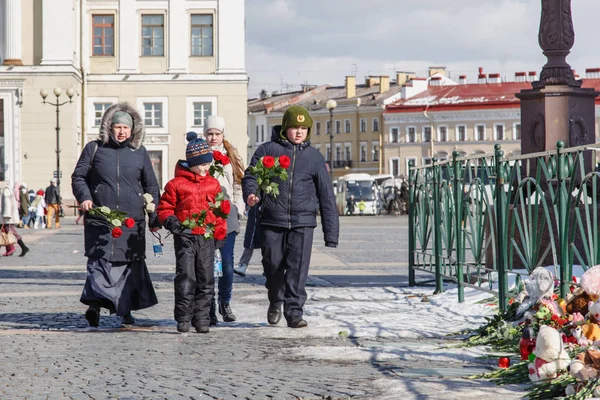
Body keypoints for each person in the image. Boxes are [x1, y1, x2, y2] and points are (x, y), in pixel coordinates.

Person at [242, 105, 339, 329]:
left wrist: (331, 233)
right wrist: (252, 194)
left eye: (303, 128)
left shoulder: (314, 157)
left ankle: (294, 312)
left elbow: (326, 194)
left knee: (298, 268)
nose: (299, 132)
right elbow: (251, 177)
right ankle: (276, 300)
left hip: (303, 222)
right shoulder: (267, 150)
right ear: (285, 128)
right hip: (272, 219)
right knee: (272, 264)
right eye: (295, 127)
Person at [71, 103, 160, 327]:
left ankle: (126, 311)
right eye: (117, 127)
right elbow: (78, 177)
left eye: (125, 128)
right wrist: (85, 197)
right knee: (100, 261)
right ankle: (95, 305)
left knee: (129, 266)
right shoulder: (94, 149)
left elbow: (151, 185)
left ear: (133, 130)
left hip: (132, 219)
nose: (121, 131)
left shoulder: (139, 152)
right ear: (109, 128)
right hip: (101, 216)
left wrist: (154, 216)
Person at [156, 133, 227, 334]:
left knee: (206, 279)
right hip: (185, 236)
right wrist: (171, 220)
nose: (206, 168)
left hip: (206, 237)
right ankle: (184, 317)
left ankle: (202, 318)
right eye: (203, 164)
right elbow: (164, 208)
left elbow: (220, 212)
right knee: (186, 276)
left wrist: (219, 234)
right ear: (193, 162)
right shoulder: (176, 184)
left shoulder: (213, 184)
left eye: (208, 164)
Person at [204, 116, 246, 325]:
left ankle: (225, 302)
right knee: (206, 264)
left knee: (227, 264)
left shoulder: (229, 157)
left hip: (227, 214)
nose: (213, 138)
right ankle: (209, 305)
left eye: (217, 134)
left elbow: (238, 184)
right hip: (205, 215)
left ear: (222, 135)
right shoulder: (199, 154)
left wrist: (238, 207)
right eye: (210, 134)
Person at [0, 181, 29, 256]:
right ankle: (23, 247)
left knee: (11, 233)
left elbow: (7, 204)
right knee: (6, 232)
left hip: (7, 217)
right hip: (6, 216)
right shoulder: (5, 189)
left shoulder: (5, 190)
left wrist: (6, 215)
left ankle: (23, 247)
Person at [234, 204, 262, 277]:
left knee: (269, 243)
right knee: (250, 240)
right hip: (255, 209)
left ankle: (268, 266)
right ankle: (243, 264)